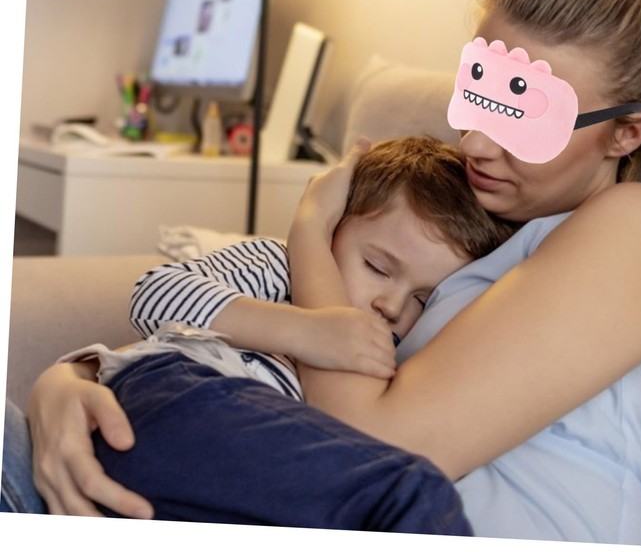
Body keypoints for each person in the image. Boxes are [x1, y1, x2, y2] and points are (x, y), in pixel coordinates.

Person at [5, 0, 641, 545]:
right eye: (478, 90)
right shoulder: (487, 228)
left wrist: (311, 232)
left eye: (524, 116)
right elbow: (263, 350)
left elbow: (373, 445)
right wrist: (78, 377)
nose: (475, 142)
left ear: (629, 132)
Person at [4, 136, 514, 531]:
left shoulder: (404, 355)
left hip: (187, 489)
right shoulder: (279, 265)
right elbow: (154, 294)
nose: (393, 305)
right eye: (377, 267)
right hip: (179, 396)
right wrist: (303, 330)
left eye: (423, 299)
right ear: (332, 228)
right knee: (414, 496)